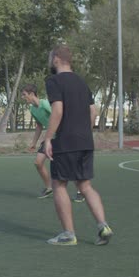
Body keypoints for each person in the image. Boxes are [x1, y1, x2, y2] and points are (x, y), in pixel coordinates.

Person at [43, 45, 113, 246]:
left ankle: (68, 234)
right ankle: (103, 226)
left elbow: (57, 110)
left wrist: (48, 138)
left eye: (50, 59)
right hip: (85, 141)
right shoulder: (82, 83)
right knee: (85, 186)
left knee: (59, 184)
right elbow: (93, 111)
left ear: (56, 59)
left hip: (65, 141)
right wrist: (84, 132)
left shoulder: (54, 81)